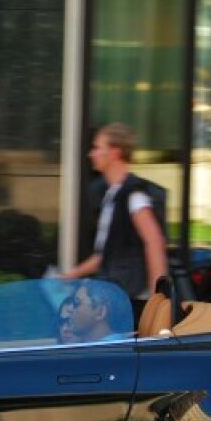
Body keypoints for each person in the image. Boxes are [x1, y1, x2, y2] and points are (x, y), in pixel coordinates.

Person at [63, 122, 169, 320]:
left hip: (130, 300)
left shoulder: (133, 196)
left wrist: (158, 301)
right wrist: (69, 276)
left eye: (97, 148)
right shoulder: (112, 196)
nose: (91, 154)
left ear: (114, 152)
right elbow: (104, 256)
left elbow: (154, 242)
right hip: (116, 298)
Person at [64, 280, 131, 343]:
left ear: (100, 313)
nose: (70, 309)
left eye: (76, 303)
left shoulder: (108, 351)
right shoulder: (116, 346)